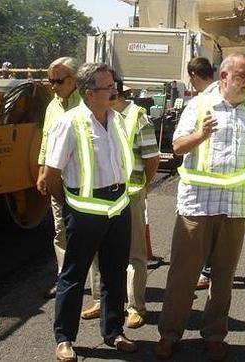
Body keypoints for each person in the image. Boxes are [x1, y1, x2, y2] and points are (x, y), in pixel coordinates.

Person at [154, 53, 245, 361]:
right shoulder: (199, 106)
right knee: (183, 274)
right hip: (196, 205)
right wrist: (201, 135)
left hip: (234, 206)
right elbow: (177, 147)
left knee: (224, 276)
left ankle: (215, 334)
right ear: (224, 76)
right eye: (243, 76)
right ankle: (169, 334)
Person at [43, 62, 137, 361]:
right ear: (89, 93)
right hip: (84, 214)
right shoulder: (69, 123)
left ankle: (114, 331)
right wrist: (71, 207)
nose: (114, 91)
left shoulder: (118, 120)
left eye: (113, 85)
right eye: (107, 87)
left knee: (114, 273)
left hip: (118, 209)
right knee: (73, 275)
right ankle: (65, 339)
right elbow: (51, 175)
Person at [111, 77, 160, 329]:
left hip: (130, 196)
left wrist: (143, 187)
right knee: (103, 253)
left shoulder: (137, 117)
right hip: (103, 198)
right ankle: (103, 302)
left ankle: (135, 307)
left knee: (135, 254)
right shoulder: (100, 116)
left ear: (114, 91)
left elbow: (152, 159)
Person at [36, 57, 82, 299]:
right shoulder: (52, 106)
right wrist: (43, 172)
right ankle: (66, 281)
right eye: (50, 80)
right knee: (60, 230)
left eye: (58, 81)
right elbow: (46, 140)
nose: (53, 86)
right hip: (58, 179)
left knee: (86, 232)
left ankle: (98, 291)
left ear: (74, 80)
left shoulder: (87, 102)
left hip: (84, 182)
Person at [187, 56, 217, 290]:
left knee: (205, 233)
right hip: (216, 180)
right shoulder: (221, 98)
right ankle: (208, 269)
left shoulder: (204, 101)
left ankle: (206, 271)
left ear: (194, 76)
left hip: (206, 181)